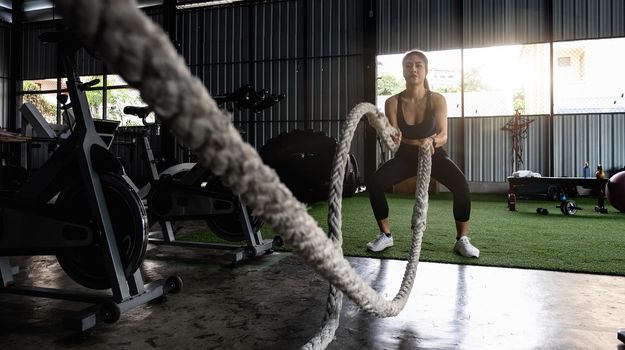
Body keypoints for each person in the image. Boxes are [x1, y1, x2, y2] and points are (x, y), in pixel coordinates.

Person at [365, 50, 479, 258]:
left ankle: (462, 240)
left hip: (433, 154)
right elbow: (393, 136)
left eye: (418, 65)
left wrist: (432, 141)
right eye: (408, 65)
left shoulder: (437, 100)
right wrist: (391, 137)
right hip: (406, 156)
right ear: (403, 71)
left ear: (425, 71)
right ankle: (385, 235)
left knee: (461, 186)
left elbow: (444, 135)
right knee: (375, 183)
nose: (413, 69)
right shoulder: (392, 102)